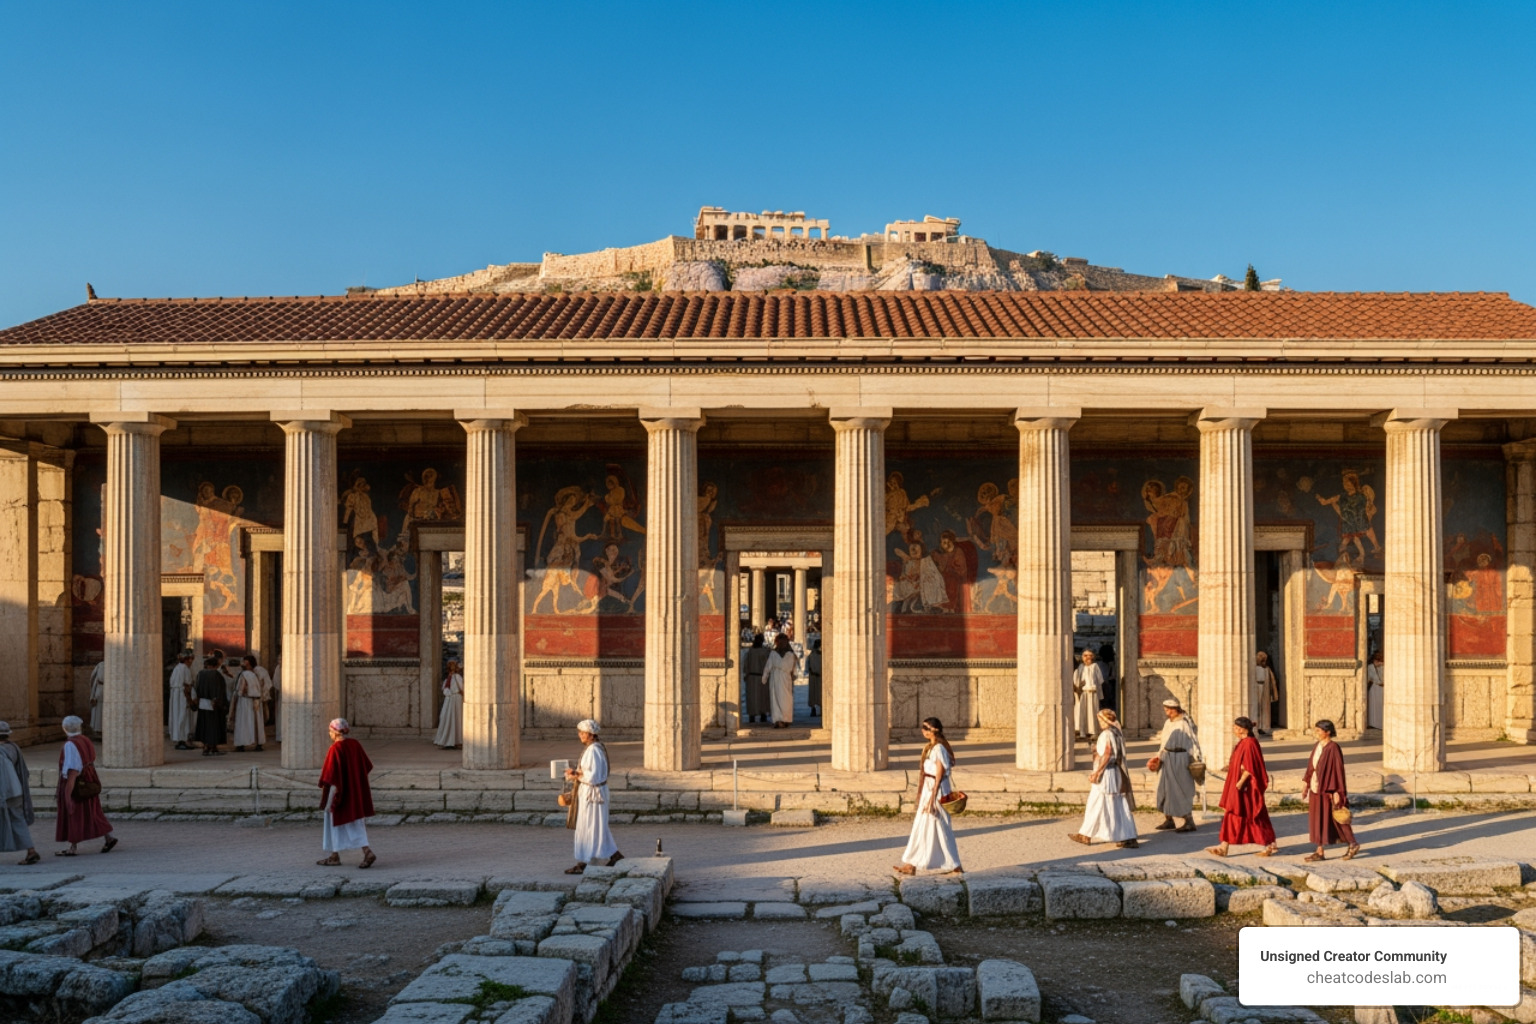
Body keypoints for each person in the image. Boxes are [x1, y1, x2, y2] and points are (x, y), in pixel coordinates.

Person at [894, 717, 962, 875]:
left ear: (934, 731)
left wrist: (932, 799)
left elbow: (940, 774)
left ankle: (955, 865)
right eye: (923, 727)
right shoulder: (931, 747)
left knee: (941, 827)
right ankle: (911, 864)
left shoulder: (939, 749)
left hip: (936, 791)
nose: (923, 730)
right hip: (928, 788)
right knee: (921, 825)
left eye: (926, 728)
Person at [1206, 717, 1277, 857]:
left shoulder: (1250, 743)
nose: (1234, 730)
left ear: (1243, 729)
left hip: (1246, 787)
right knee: (1233, 813)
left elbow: (1251, 767)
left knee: (1253, 813)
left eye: (1236, 728)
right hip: (1237, 784)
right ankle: (1224, 846)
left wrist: (1240, 782)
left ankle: (1269, 844)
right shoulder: (1242, 742)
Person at [1069, 708, 1138, 848]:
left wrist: (1097, 772)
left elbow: (1107, 754)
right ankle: (1126, 836)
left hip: (1107, 774)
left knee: (1098, 803)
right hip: (1113, 772)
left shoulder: (1107, 734)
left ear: (1106, 720)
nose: (1099, 722)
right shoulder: (1117, 733)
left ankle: (1087, 835)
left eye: (1100, 720)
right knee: (1115, 804)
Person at [564, 719, 621, 874]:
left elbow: (593, 776)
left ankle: (585, 862)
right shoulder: (593, 748)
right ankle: (614, 855)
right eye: (580, 733)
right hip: (592, 793)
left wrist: (575, 774)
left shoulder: (594, 750)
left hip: (593, 795)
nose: (580, 735)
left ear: (591, 735)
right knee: (596, 826)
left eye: (583, 733)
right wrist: (577, 774)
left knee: (590, 827)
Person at [318, 718, 376, 868]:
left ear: (335, 732)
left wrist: (330, 790)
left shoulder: (335, 748)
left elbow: (330, 774)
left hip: (339, 791)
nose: (329, 734)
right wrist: (355, 780)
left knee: (338, 820)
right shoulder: (355, 744)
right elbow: (366, 766)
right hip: (354, 790)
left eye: (330, 731)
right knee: (353, 821)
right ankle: (335, 855)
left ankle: (366, 852)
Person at [55, 716, 116, 856]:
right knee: (92, 811)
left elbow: (72, 771)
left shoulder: (70, 744)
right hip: (89, 779)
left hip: (78, 783)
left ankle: (72, 847)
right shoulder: (85, 740)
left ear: (65, 728)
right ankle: (109, 837)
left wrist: (67, 794)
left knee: (74, 813)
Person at [1302, 719, 1359, 861]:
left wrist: (1337, 791)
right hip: (1316, 788)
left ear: (1327, 732)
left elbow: (1338, 770)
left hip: (1329, 790)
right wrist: (1306, 784)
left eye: (1318, 730)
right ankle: (1320, 851)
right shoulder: (1317, 746)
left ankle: (1353, 844)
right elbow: (1311, 766)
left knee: (1337, 818)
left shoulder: (1333, 748)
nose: (1316, 733)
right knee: (1318, 820)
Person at [1148, 697, 1202, 833]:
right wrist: (1158, 756)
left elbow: (1193, 742)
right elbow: (1164, 741)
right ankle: (1169, 819)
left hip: (1180, 759)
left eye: (1168, 709)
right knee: (1164, 789)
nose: (1166, 712)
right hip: (1167, 758)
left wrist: (1196, 758)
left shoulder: (1184, 723)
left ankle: (1189, 821)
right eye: (1165, 709)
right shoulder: (1168, 723)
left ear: (1174, 709)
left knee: (1180, 789)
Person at [0, 722, 39, 865]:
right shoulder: (13, 747)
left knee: (16, 820)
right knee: (18, 821)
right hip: (17, 791)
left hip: (6, 792)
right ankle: (31, 851)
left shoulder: (1, 752)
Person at [193, 655, 228, 756]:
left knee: (204, 724)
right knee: (214, 725)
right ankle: (212, 747)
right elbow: (219, 690)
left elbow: (196, 688)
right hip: (214, 704)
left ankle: (205, 747)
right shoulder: (216, 675)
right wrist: (220, 703)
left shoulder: (200, 674)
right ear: (215, 665)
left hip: (203, 703)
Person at [231, 656, 265, 752]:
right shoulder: (255, 674)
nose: (242, 662)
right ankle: (258, 743)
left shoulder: (244, 675)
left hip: (244, 701)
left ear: (248, 663)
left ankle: (241, 744)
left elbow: (240, 690)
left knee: (243, 722)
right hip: (255, 701)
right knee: (255, 722)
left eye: (244, 661)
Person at [765, 633, 799, 728]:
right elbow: (768, 666)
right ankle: (777, 720)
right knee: (775, 699)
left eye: (784, 642)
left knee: (786, 700)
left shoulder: (791, 654)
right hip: (775, 678)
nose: (782, 644)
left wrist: (793, 675)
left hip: (786, 679)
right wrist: (765, 676)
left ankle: (786, 719)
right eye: (780, 642)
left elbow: (794, 668)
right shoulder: (773, 654)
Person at [168, 651, 197, 750]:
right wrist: (190, 699)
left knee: (177, 717)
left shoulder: (177, 668)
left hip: (176, 695)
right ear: (187, 659)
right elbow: (187, 685)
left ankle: (179, 739)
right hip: (182, 696)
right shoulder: (185, 668)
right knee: (183, 717)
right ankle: (183, 739)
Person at [1073, 650, 1104, 740]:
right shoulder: (1080, 667)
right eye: (1085, 655)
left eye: (1090, 655)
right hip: (1083, 692)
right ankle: (1083, 732)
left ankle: (1094, 732)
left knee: (1093, 712)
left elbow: (1100, 680)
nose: (1088, 657)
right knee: (1083, 712)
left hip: (1093, 692)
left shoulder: (1095, 666)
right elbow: (1076, 680)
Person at [435, 659, 464, 749]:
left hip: (453, 699)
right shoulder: (452, 677)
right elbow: (447, 688)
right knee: (451, 718)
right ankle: (452, 740)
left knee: (454, 718)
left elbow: (446, 689)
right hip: (453, 699)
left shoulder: (453, 677)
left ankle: (455, 740)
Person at [742, 634, 770, 724]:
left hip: (753, 677)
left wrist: (746, 674)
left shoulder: (750, 652)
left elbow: (745, 665)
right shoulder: (764, 652)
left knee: (755, 697)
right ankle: (761, 715)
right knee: (761, 697)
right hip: (759, 677)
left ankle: (754, 715)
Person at [1254, 652, 1279, 735]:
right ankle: (1256, 726)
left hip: (1265, 690)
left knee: (1264, 709)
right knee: (1256, 708)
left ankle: (1263, 726)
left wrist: (1273, 694)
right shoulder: (1253, 668)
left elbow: (1272, 682)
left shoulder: (1267, 669)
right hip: (1256, 689)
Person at [1365, 652, 1384, 731]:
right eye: (1378, 662)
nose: (1380, 663)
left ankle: (1380, 724)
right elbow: (1375, 679)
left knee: (1380, 707)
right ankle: (1373, 724)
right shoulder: (1370, 667)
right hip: (1374, 688)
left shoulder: (1381, 667)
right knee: (1373, 707)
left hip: (1381, 689)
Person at [805, 639, 823, 718]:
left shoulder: (822, 655)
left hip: (820, 676)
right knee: (813, 693)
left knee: (820, 693)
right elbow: (808, 665)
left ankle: (821, 709)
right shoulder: (811, 655)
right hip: (813, 676)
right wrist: (811, 671)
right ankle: (813, 709)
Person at [88, 660, 105, 738]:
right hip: (103, 690)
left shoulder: (100, 664)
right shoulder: (101, 664)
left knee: (98, 710)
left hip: (99, 690)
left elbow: (92, 677)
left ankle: (97, 730)